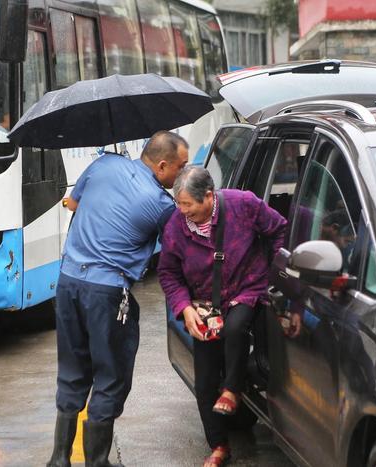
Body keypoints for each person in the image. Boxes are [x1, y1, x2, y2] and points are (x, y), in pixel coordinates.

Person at [46, 131, 189, 467]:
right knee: (110, 374)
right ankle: (97, 462)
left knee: (72, 369)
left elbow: (75, 204)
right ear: (163, 165)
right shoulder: (162, 205)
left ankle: (58, 459)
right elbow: (176, 251)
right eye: (180, 168)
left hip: (67, 283)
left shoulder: (104, 164)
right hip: (107, 293)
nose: (181, 175)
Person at [157, 166, 296, 467]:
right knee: (205, 382)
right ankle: (219, 445)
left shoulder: (243, 204)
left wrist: (276, 275)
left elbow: (279, 230)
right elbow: (167, 272)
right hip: (206, 304)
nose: (182, 212)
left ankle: (232, 389)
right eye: (179, 205)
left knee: (235, 328)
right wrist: (185, 308)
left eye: (188, 205)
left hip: (247, 289)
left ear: (208, 196)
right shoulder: (176, 225)